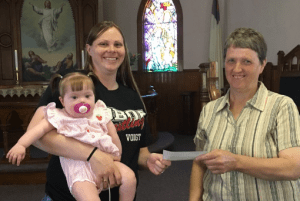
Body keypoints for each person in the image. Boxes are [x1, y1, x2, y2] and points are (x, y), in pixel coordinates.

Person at [26, 21, 171, 201]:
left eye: (117, 44)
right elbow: (38, 136)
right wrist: (92, 155)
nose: (112, 49)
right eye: (103, 44)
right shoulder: (72, 86)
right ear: (89, 49)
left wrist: (148, 160)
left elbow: (140, 152)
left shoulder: (132, 97)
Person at [189, 27, 300, 201]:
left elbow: (293, 167)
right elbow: (199, 161)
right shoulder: (209, 111)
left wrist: (236, 162)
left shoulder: (282, 106)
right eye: (231, 60)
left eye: (246, 61)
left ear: (262, 65)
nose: (237, 68)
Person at [7, 72, 137, 201]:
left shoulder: (100, 112)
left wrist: (117, 155)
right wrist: (21, 144)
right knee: (88, 197)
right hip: (78, 168)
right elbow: (37, 131)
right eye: (74, 97)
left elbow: (112, 134)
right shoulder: (60, 117)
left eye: (87, 96)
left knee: (130, 178)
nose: (82, 101)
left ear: (94, 97)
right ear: (62, 101)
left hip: (107, 160)